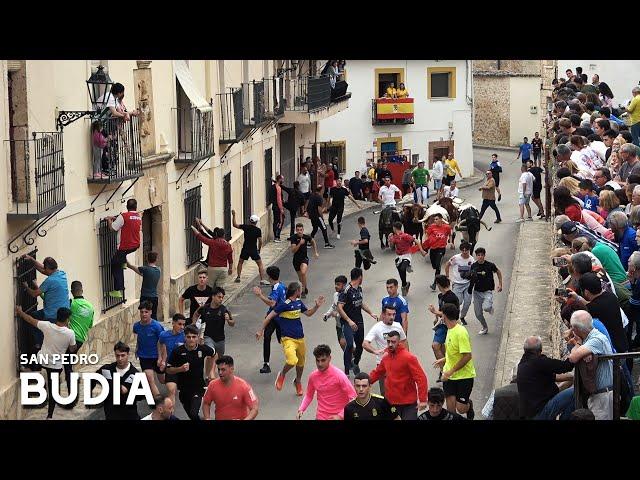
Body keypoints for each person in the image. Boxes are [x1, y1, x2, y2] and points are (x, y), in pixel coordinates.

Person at [256, 282, 325, 396]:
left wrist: (316, 306)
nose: (302, 290)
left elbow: (308, 313)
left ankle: (297, 381)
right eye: (301, 289)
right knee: (292, 360)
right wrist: (261, 330)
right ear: (297, 291)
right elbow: (269, 317)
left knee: (301, 364)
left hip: (300, 338)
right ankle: (282, 374)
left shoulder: (298, 302)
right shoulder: (284, 304)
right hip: (288, 339)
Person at [15, 306, 76, 419]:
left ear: (57, 317)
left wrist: (20, 312)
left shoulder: (47, 325)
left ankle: (27, 367)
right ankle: (49, 415)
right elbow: (73, 349)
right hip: (55, 366)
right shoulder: (70, 333)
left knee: (35, 348)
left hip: (42, 360)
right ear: (67, 319)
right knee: (53, 390)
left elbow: (30, 320)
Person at [369, 330, 428, 420]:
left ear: (399, 342)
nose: (390, 344)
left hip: (408, 404)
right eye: (388, 341)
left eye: (393, 342)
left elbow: (421, 378)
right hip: (391, 402)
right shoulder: (386, 356)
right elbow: (378, 372)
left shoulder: (409, 358)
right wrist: (366, 382)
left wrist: (423, 400)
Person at [567, 310, 614, 420]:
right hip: (598, 395)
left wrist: (577, 343)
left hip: (602, 397)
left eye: (572, 328)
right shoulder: (588, 338)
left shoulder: (596, 339)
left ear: (577, 329)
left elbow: (572, 358)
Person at [432, 303, 476, 419]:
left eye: (442, 315)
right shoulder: (450, 330)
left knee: (460, 409)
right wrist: (444, 359)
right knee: (451, 411)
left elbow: (467, 356)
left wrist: (450, 372)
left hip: (464, 377)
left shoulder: (461, 332)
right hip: (449, 377)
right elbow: (453, 352)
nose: (441, 317)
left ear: (445, 317)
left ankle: (468, 405)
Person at [567, 273, 629, 355]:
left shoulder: (592, 309)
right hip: (623, 344)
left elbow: (591, 306)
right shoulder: (611, 296)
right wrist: (577, 298)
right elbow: (593, 304)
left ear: (586, 292)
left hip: (613, 352)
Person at [516, 336, 575, 420]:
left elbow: (554, 377)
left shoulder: (523, 364)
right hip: (540, 413)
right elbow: (566, 366)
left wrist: (572, 377)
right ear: (540, 350)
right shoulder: (539, 361)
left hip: (530, 414)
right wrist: (577, 349)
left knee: (567, 391)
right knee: (574, 393)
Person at [165, 324, 215, 420]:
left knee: (193, 413)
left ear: (197, 337)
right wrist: (180, 369)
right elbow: (168, 370)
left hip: (198, 387)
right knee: (193, 416)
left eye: (193, 337)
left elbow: (214, 354)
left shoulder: (202, 349)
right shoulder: (177, 351)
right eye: (188, 337)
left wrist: (211, 371)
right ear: (185, 338)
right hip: (183, 389)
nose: (191, 339)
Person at [21, 255, 69, 349]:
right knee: (35, 316)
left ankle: (38, 344)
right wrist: (32, 260)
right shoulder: (61, 274)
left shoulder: (50, 280)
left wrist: (26, 287)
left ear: (48, 268)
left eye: (45, 268)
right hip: (62, 312)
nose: (44, 270)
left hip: (52, 315)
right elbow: (44, 270)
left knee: (34, 321)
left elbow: (34, 294)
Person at [297, 345, 356, 420]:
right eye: (317, 361)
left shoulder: (339, 375)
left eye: (323, 360)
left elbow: (353, 397)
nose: (320, 364)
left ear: (329, 358)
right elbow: (309, 395)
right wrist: (301, 409)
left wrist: (340, 416)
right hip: (321, 416)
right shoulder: (313, 376)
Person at [337, 267, 378, 375]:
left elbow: (361, 303)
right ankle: (346, 371)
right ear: (360, 277)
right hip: (347, 322)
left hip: (359, 321)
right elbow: (339, 307)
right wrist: (349, 321)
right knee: (349, 344)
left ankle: (355, 363)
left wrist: (371, 313)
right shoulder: (346, 290)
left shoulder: (359, 289)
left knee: (360, 345)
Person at [362, 305, 407, 395]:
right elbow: (365, 343)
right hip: (383, 365)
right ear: (383, 315)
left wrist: (406, 356)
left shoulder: (398, 326)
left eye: (393, 315)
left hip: (398, 364)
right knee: (385, 394)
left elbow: (404, 341)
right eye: (389, 314)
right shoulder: (377, 327)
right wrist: (375, 351)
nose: (392, 317)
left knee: (399, 391)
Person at [92, 341, 142, 420]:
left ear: (128, 354)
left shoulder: (135, 374)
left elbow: (138, 395)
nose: (120, 359)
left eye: (123, 355)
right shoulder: (106, 369)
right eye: (117, 355)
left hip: (129, 416)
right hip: (111, 414)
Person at [192, 286, 235, 379]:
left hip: (220, 339)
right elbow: (196, 314)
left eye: (222, 297)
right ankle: (208, 376)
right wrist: (194, 324)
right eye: (219, 297)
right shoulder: (205, 308)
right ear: (213, 296)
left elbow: (233, 323)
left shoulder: (224, 309)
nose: (221, 299)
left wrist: (228, 320)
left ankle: (218, 376)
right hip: (208, 337)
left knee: (219, 360)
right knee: (211, 354)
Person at [202, 355, 259, 420]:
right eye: (219, 369)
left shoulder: (243, 386)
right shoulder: (212, 385)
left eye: (223, 370)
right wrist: (207, 418)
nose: (220, 373)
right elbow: (206, 403)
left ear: (232, 369)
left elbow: (254, 408)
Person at [253, 266, 287, 374]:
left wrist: (260, 295)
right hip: (275, 317)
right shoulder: (281, 285)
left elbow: (272, 303)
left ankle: (291, 359)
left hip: (279, 317)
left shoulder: (277, 288)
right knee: (267, 336)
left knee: (284, 340)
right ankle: (266, 364)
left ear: (270, 277)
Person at [107, 198, 142, 298]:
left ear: (127, 207)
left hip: (124, 247)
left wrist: (110, 220)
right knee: (120, 259)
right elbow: (128, 224)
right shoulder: (138, 216)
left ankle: (118, 290)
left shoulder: (123, 216)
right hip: (134, 246)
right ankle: (123, 262)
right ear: (136, 207)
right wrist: (117, 219)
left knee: (114, 264)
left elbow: (113, 228)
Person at [428, 275, 460, 382]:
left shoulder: (451, 297)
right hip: (442, 324)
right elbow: (441, 310)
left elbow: (449, 312)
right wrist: (436, 318)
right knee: (436, 346)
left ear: (439, 284)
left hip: (451, 324)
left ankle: (447, 370)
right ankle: (444, 370)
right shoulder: (440, 296)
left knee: (443, 348)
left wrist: (434, 312)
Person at [64, 281, 94, 391]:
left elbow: (57, 306)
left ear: (72, 292)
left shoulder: (71, 303)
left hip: (70, 339)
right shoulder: (90, 306)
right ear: (82, 290)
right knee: (68, 364)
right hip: (80, 340)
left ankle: (71, 394)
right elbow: (90, 325)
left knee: (67, 366)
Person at [468, 247, 503, 335]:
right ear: (476, 256)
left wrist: (500, 284)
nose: (480, 257)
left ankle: (490, 308)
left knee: (486, 307)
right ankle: (484, 327)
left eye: (482, 255)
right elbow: (470, 278)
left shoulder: (490, 265)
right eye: (478, 255)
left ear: (484, 255)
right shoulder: (473, 266)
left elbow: (498, 272)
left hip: (487, 291)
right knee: (478, 314)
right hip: (477, 292)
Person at [133, 300, 164, 397]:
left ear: (150, 312)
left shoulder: (157, 326)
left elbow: (163, 343)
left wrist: (161, 358)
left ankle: (175, 381)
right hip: (144, 357)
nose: (144, 314)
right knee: (150, 379)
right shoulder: (136, 326)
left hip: (156, 356)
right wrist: (137, 349)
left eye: (146, 312)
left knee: (162, 380)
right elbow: (138, 338)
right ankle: (158, 402)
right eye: (142, 312)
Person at [190, 220, 233, 287]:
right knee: (220, 288)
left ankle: (210, 297)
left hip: (212, 268)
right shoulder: (228, 245)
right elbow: (230, 259)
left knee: (209, 287)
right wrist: (230, 268)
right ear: (224, 235)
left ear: (216, 234)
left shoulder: (212, 242)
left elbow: (201, 237)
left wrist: (193, 227)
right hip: (223, 269)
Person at [231, 209, 269, 285]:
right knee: (260, 264)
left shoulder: (245, 227)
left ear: (250, 221)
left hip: (245, 248)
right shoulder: (258, 230)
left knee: (240, 262)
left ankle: (238, 277)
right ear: (256, 222)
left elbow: (235, 225)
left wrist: (234, 215)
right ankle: (262, 279)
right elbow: (260, 241)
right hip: (253, 249)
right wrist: (259, 249)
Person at [157, 313, 186, 404]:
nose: (182, 327)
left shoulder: (185, 336)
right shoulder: (164, 335)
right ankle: (170, 414)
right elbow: (159, 343)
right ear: (173, 323)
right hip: (171, 366)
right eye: (179, 324)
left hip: (183, 366)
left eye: (183, 324)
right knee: (171, 389)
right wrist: (160, 358)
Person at [389, 221, 423, 296]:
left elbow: (416, 241)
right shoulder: (394, 237)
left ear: (394, 228)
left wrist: (421, 250)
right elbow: (391, 247)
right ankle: (405, 285)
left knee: (402, 268)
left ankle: (407, 266)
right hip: (398, 256)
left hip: (406, 255)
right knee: (401, 273)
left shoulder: (405, 235)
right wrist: (390, 239)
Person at [445, 241, 475, 325]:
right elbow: (447, 265)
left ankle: (462, 317)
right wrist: (447, 277)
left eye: (466, 250)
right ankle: (455, 317)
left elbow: (474, 270)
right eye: (463, 250)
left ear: (469, 250)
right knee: (459, 301)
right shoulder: (455, 258)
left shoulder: (471, 259)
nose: (465, 252)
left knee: (467, 302)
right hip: (457, 284)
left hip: (468, 284)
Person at [420, 213, 452, 290]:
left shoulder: (447, 227)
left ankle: (435, 283)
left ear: (441, 219)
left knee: (438, 266)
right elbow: (427, 235)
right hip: (433, 249)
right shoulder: (432, 227)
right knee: (434, 265)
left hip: (441, 249)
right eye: (434, 219)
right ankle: (439, 273)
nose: (435, 221)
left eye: (437, 219)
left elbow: (450, 235)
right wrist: (427, 242)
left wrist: (451, 243)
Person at [126, 251, 161, 319]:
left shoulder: (145, 269)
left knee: (144, 315)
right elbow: (144, 274)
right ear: (156, 259)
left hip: (145, 296)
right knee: (153, 315)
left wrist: (125, 258)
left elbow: (131, 266)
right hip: (154, 297)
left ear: (147, 259)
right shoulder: (158, 270)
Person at [289, 223, 319, 298]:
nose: (299, 231)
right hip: (296, 260)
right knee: (300, 277)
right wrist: (299, 243)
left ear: (303, 230)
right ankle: (304, 287)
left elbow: (313, 241)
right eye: (298, 230)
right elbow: (293, 250)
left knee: (303, 273)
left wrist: (315, 252)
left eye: (301, 230)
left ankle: (303, 290)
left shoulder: (306, 237)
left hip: (304, 259)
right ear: (296, 230)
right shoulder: (293, 238)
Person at [323, 275, 349, 354]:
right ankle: (353, 356)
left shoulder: (347, 296)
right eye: (335, 284)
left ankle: (351, 361)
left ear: (344, 285)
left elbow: (348, 312)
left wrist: (337, 315)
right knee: (344, 346)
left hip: (347, 325)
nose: (336, 286)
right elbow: (333, 306)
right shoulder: (335, 295)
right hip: (339, 326)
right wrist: (327, 315)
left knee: (343, 343)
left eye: (338, 284)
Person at [269, 175, 286, 242]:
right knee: (280, 221)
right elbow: (279, 199)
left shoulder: (273, 187)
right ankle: (277, 236)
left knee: (276, 221)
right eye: (282, 179)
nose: (283, 181)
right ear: (279, 179)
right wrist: (281, 209)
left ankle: (276, 236)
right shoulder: (278, 188)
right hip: (278, 207)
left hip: (274, 206)